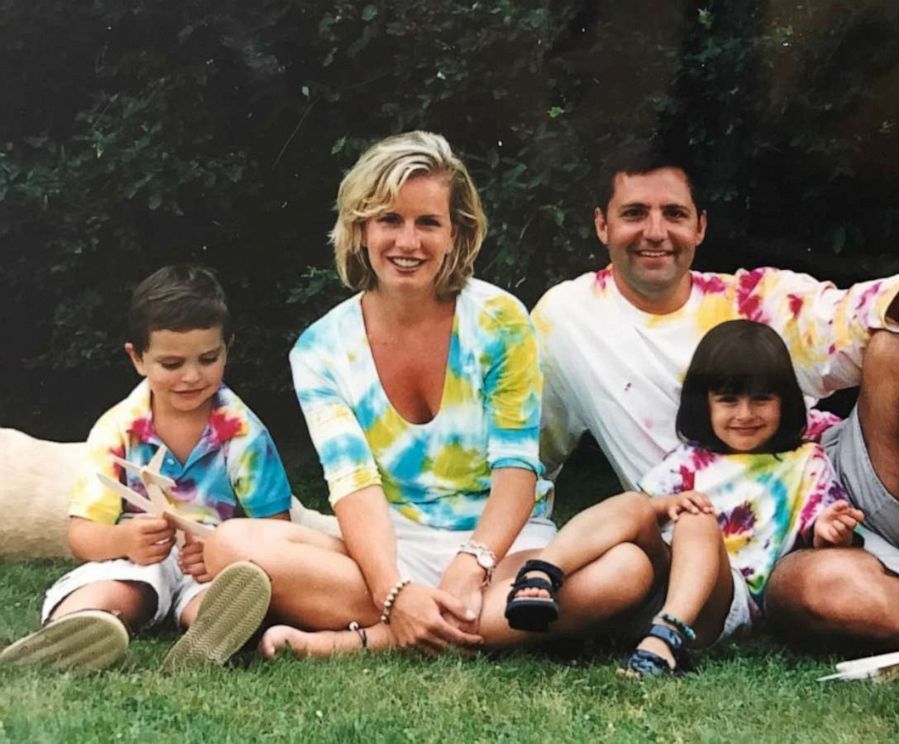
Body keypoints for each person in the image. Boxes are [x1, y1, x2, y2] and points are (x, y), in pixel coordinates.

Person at [204, 131, 652, 659]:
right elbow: (354, 486)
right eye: (390, 220)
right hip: (390, 548)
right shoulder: (320, 350)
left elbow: (516, 468)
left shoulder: (500, 321)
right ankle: (431, 627)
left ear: (456, 232)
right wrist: (393, 592)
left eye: (428, 222)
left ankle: (368, 642)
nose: (408, 243)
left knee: (626, 569)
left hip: (502, 549)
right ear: (360, 229)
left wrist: (472, 564)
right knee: (228, 546)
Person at [533, 139, 899, 650]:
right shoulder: (568, 319)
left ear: (700, 226)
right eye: (635, 213)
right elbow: (526, 450)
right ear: (602, 225)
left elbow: (848, 313)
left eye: (675, 214)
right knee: (826, 591)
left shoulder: (752, 299)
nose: (655, 232)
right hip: (744, 558)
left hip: (833, 491)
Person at [506, 320, 863, 675]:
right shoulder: (691, 457)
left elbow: (819, 534)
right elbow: (644, 514)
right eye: (728, 400)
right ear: (704, 403)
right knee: (634, 504)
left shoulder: (803, 463)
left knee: (696, 519)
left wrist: (830, 532)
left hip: (722, 603)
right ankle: (541, 574)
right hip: (656, 578)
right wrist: (664, 505)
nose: (744, 414)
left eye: (761, 400)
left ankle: (665, 640)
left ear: (784, 401)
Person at [0, 265, 294, 672]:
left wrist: (224, 552)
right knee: (122, 590)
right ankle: (78, 626)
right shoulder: (118, 428)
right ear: (137, 358)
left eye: (208, 359)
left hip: (211, 563)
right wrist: (124, 540)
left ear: (228, 347)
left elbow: (277, 530)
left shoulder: (243, 433)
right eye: (172, 364)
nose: (192, 376)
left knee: (222, 596)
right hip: (139, 558)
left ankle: (212, 634)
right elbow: (81, 535)